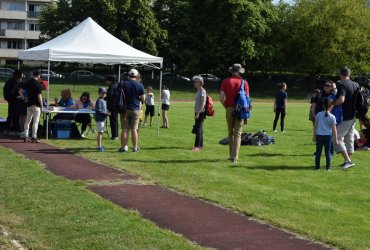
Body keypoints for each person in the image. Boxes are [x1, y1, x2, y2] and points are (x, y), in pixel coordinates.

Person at [219, 63, 250, 163]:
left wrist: (226, 107)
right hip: (240, 110)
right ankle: (235, 157)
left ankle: (231, 155)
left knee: (230, 133)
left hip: (229, 109)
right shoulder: (244, 83)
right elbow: (247, 100)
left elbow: (221, 97)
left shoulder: (225, 81)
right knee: (238, 134)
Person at [332, 67, 358, 170]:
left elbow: (341, 99)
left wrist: (333, 103)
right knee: (349, 139)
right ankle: (347, 162)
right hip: (354, 115)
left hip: (345, 115)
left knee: (336, 137)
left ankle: (348, 161)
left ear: (340, 74)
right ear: (349, 74)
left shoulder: (342, 84)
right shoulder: (355, 84)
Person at [118, 68, 145, 153]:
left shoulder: (123, 84)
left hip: (124, 110)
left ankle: (122, 148)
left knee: (124, 129)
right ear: (136, 76)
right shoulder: (140, 85)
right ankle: (135, 147)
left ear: (128, 75)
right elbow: (143, 99)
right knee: (134, 129)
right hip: (135, 109)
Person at [312, 97, 338, 171]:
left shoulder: (318, 115)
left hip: (319, 136)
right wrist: (336, 139)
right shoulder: (332, 117)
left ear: (323, 105)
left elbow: (315, 127)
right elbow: (334, 129)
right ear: (331, 106)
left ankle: (317, 167)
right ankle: (328, 168)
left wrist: (314, 136)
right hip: (328, 137)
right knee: (328, 152)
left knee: (318, 152)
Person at [23, 71, 43, 143]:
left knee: (27, 121)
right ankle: (34, 137)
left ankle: (25, 136)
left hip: (29, 104)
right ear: (38, 76)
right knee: (35, 122)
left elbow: (20, 90)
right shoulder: (38, 84)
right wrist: (42, 105)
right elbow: (39, 96)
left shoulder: (28, 82)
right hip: (36, 105)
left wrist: (24, 98)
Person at [3, 69, 23, 134]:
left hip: (10, 99)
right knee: (15, 115)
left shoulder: (9, 81)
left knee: (11, 114)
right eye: (21, 74)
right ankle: (13, 129)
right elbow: (14, 92)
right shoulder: (14, 82)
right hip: (13, 100)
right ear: (18, 75)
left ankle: (8, 128)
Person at [192, 75, 207, 151]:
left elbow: (202, 103)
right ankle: (200, 146)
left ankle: (197, 146)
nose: (194, 82)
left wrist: (198, 113)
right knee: (200, 129)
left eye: (196, 81)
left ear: (199, 82)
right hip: (198, 112)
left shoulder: (202, 91)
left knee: (198, 129)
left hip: (201, 112)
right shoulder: (198, 91)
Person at [95, 87, 110, 151]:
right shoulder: (99, 101)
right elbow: (98, 110)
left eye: (104, 93)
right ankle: (99, 146)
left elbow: (104, 109)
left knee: (101, 132)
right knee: (100, 132)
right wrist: (106, 113)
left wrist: (107, 112)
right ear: (99, 93)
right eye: (102, 93)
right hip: (100, 119)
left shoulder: (103, 100)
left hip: (103, 118)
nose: (104, 94)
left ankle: (100, 145)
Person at [105, 75, 119, 140]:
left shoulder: (111, 86)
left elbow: (110, 96)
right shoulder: (116, 85)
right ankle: (115, 135)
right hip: (116, 106)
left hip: (112, 106)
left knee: (113, 121)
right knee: (115, 121)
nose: (106, 82)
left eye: (107, 80)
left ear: (110, 80)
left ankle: (115, 135)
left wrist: (104, 98)